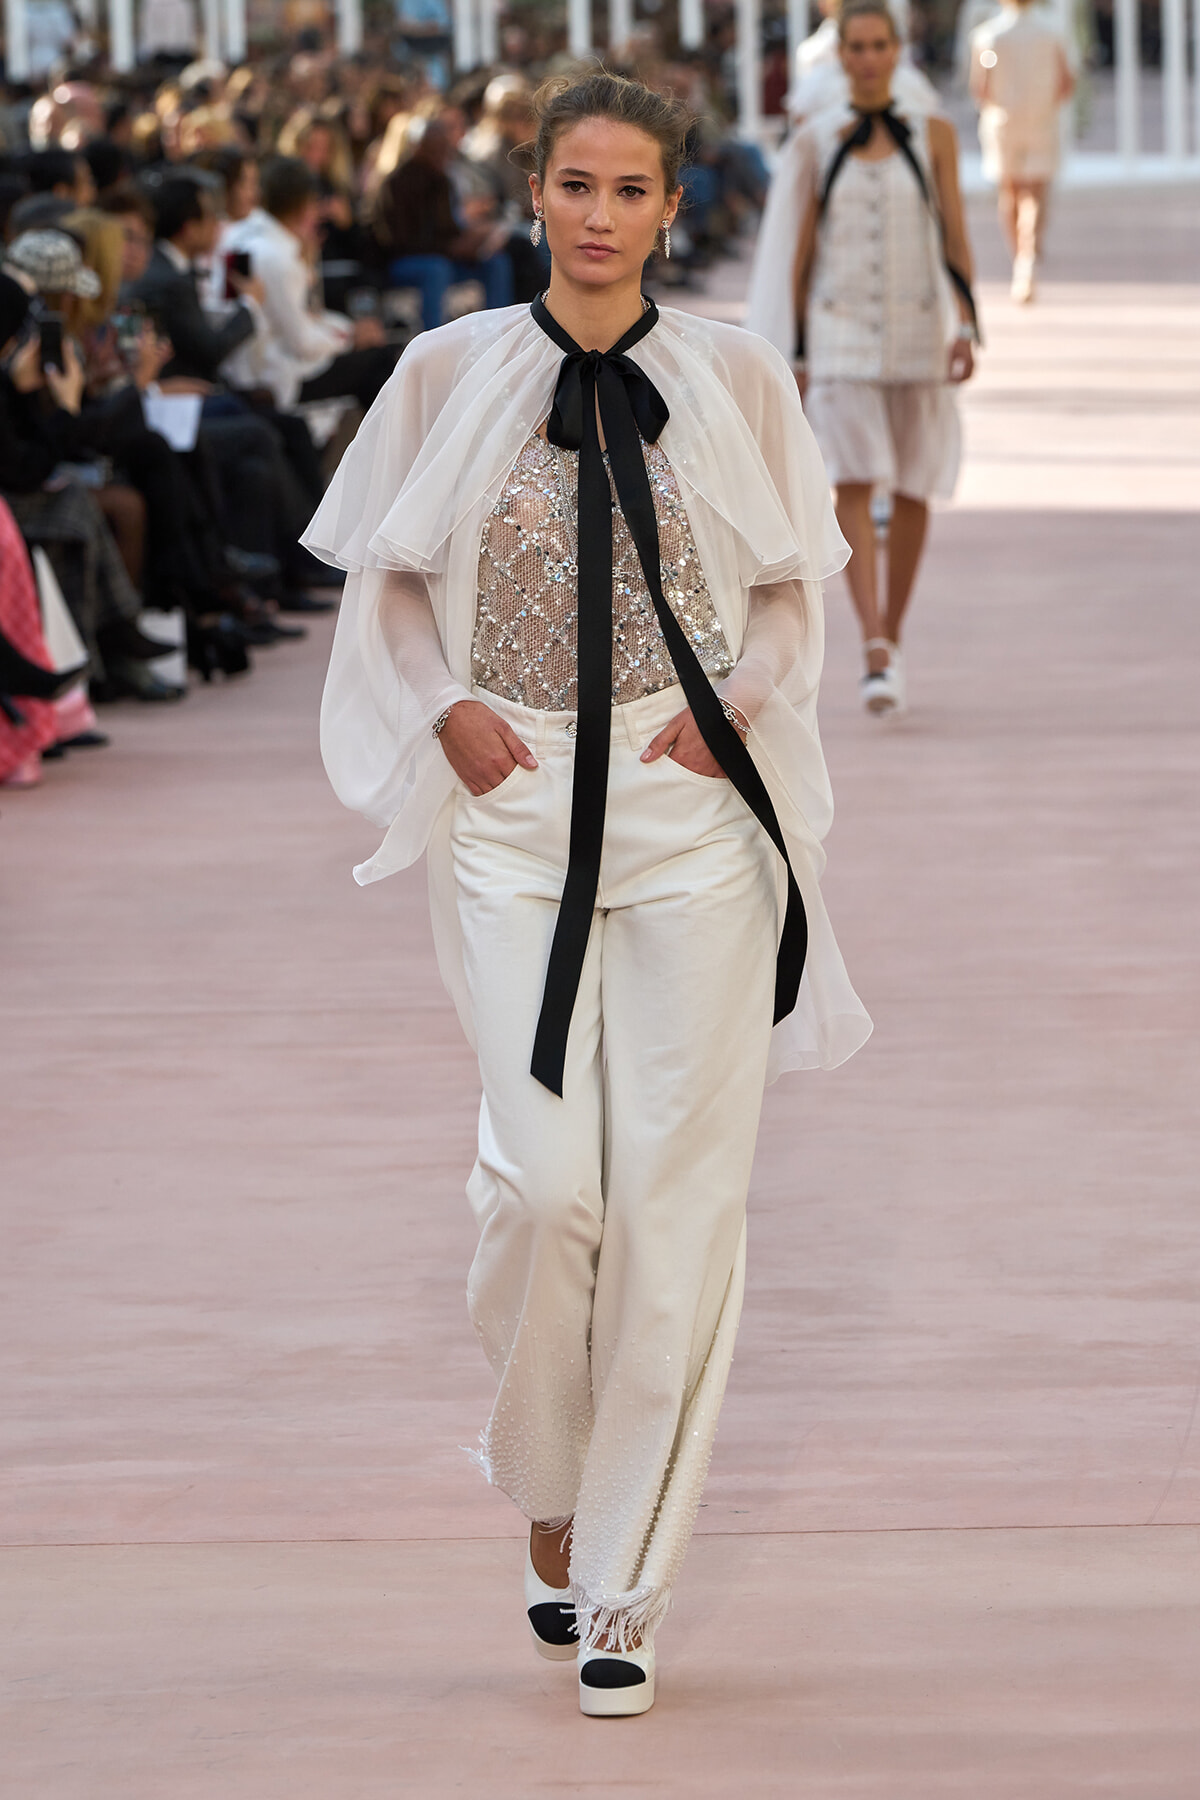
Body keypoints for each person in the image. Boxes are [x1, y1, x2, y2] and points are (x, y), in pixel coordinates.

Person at [306, 70, 870, 1717]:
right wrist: (444, 716)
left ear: (673, 205)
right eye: (574, 183)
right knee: (548, 1190)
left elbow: (787, 599)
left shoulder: (740, 380)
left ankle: (622, 1578)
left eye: (632, 188)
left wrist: (737, 710)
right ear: (531, 194)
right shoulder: (444, 371)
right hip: (514, 803)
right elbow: (393, 582)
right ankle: (548, 1476)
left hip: (692, 812)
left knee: (679, 1206)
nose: (600, 213)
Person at [744, 0, 980, 715]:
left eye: (881, 45)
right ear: (841, 55)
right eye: (859, 47)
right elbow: (799, 248)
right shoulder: (817, 139)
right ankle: (872, 639)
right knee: (851, 475)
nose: (870, 57)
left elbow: (954, 235)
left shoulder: (933, 134)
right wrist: (798, 348)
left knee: (912, 481)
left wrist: (969, 322)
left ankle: (894, 632)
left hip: (916, 326)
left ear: (898, 51)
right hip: (839, 327)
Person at [970, 0, 1074, 304]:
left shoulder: (990, 36)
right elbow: (1067, 80)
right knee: (1035, 192)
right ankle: (1026, 259)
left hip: (1004, 122)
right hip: (1040, 120)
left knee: (1011, 190)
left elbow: (981, 86)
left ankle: (1021, 258)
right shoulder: (1052, 31)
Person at [372, 112, 514, 333]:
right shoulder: (395, 184)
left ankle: (498, 333)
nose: (442, 154)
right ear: (418, 147)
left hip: (445, 256)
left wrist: (473, 240)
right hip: (404, 263)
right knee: (437, 269)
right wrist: (451, 248)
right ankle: (432, 339)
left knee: (495, 262)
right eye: (435, 147)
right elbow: (397, 241)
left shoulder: (443, 182)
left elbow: (449, 229)